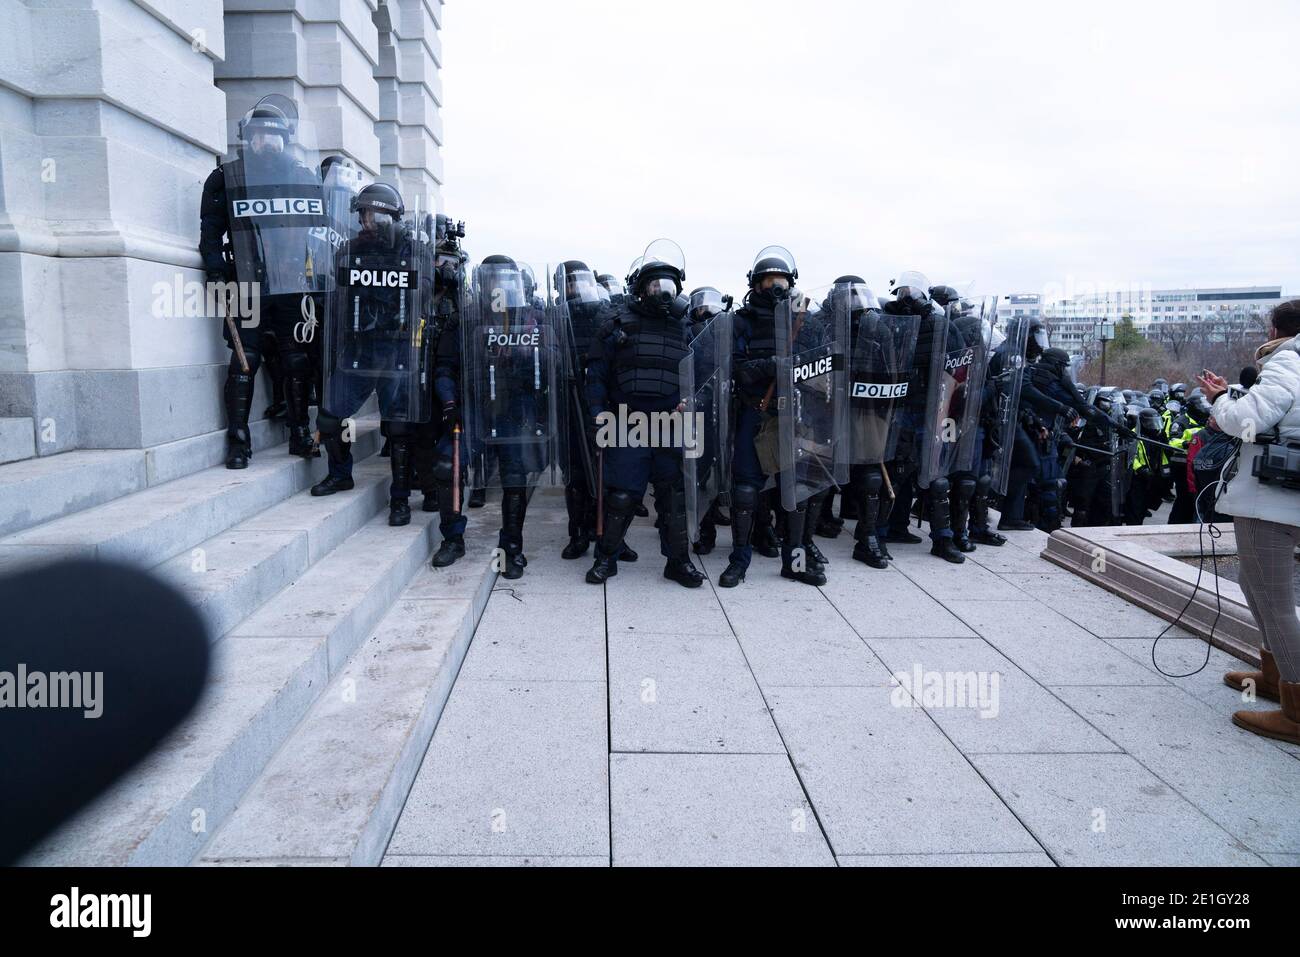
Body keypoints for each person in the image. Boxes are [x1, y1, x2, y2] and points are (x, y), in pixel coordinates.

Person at [200, 95, 326, 469]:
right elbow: (210, 233)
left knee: (297, 361)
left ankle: (301, 431)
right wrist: (215, 270)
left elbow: (320, 234)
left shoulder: (303, 178)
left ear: (285, 140)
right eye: (259, 136)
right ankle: (238, 441)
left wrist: (319, 278)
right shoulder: (225, 178)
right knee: (244, 361)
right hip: (247, 285)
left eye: (274, 137)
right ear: (247, 138)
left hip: (291, 286)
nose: (266, 143)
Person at [1198, 299, 1300, 745]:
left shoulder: (1288, 360)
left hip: (1271, 498)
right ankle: (1275, 675)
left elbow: (1245, 422)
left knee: (1273, 597)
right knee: (1251, 581)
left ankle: (1295, 711)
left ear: (1278, 327)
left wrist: (1222, 400)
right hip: (1281, 495)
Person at [310, 183, 436, 527]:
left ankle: (399, 499)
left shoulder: (414, 252)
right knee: (329, 417)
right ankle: (340, 474)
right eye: (362, 214)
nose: (365, 221)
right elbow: (339, 288)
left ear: (387, 217)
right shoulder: (350, 250)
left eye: (371, 215)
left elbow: (422, 292)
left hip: (396, 349)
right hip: (359, 349)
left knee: (398, 427)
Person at [585, 241, 703, 588]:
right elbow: (597, 375)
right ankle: (606, 557)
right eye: (655, 286)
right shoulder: (617, 325)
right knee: (622, 496)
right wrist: (596, 414)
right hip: (627, 422)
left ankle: (678, 562)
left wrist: (692, 401)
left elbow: (703, 374)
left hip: (670, 424)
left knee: (673, 498)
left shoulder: (686, 328)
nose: (662, 293)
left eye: (668, 286)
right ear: (640, 289)